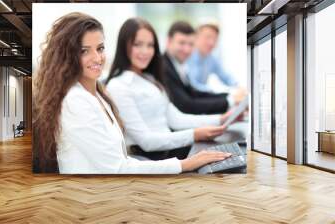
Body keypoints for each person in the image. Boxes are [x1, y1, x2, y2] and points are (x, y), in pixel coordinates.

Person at [33, 12, 231, 174]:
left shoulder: (99, 94)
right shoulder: (78, 100)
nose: (97, 57)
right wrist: (185, 163)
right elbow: (121, 164)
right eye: (84, 50)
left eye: (100, 48)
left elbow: (173, 117)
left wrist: (219, 120)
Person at [106, 18, 235, 162]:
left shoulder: (150, 79)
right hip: (151, 160)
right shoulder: (118, 86)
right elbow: (146, 142)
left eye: (150, 45)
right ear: (124, 45)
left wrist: (219, 119)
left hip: (169, 152)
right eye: (138, 44)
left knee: (225, 154)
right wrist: (194, 134)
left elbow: (175, 119)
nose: (145, 51)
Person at [163, 21, 230, 115]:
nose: (187, 50)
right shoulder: (163, 67)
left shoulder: (178, 65)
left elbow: (193, 93)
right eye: (181, 43)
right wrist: (229, 102)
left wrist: (229, 97)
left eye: (190, 44)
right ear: (169, 41)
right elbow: (186, 105)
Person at [187, 22, 246, 104]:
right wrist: (225, 93)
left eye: (215, 39)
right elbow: (192, 86)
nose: (211, 43)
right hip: (188, 101)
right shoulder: (187, 55)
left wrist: (239, 87)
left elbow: (225, 76)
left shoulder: (211, 58)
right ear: (196, 38)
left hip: (200, 100)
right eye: (208, 37)